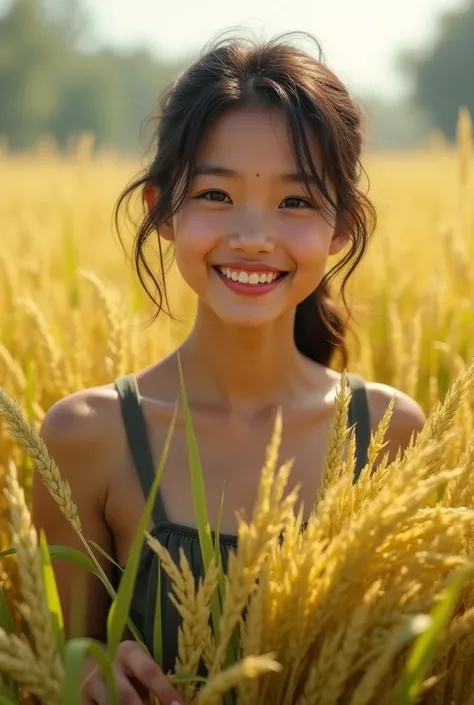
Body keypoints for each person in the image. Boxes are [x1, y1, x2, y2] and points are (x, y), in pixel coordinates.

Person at [32, 31, 426, 705]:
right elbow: (62, 664)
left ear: (341, 227)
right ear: (163, 212)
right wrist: (90, 667)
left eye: (295, 201)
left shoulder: (388, 432)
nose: (252, 235)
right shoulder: (87, 437)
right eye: (215, 194)